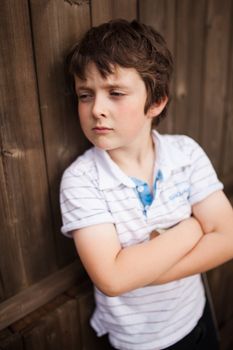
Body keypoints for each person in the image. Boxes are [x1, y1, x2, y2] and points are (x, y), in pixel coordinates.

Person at [60, 19, 233, 350]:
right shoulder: (82, 180)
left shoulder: (184, 153)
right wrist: (193, 229)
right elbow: (113, 279)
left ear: (155, 102)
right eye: (85, 94)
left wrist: (137, 273)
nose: (96, 109)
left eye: (115, 93)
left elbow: (227, 238)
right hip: (140, 341)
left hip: (196, 316)